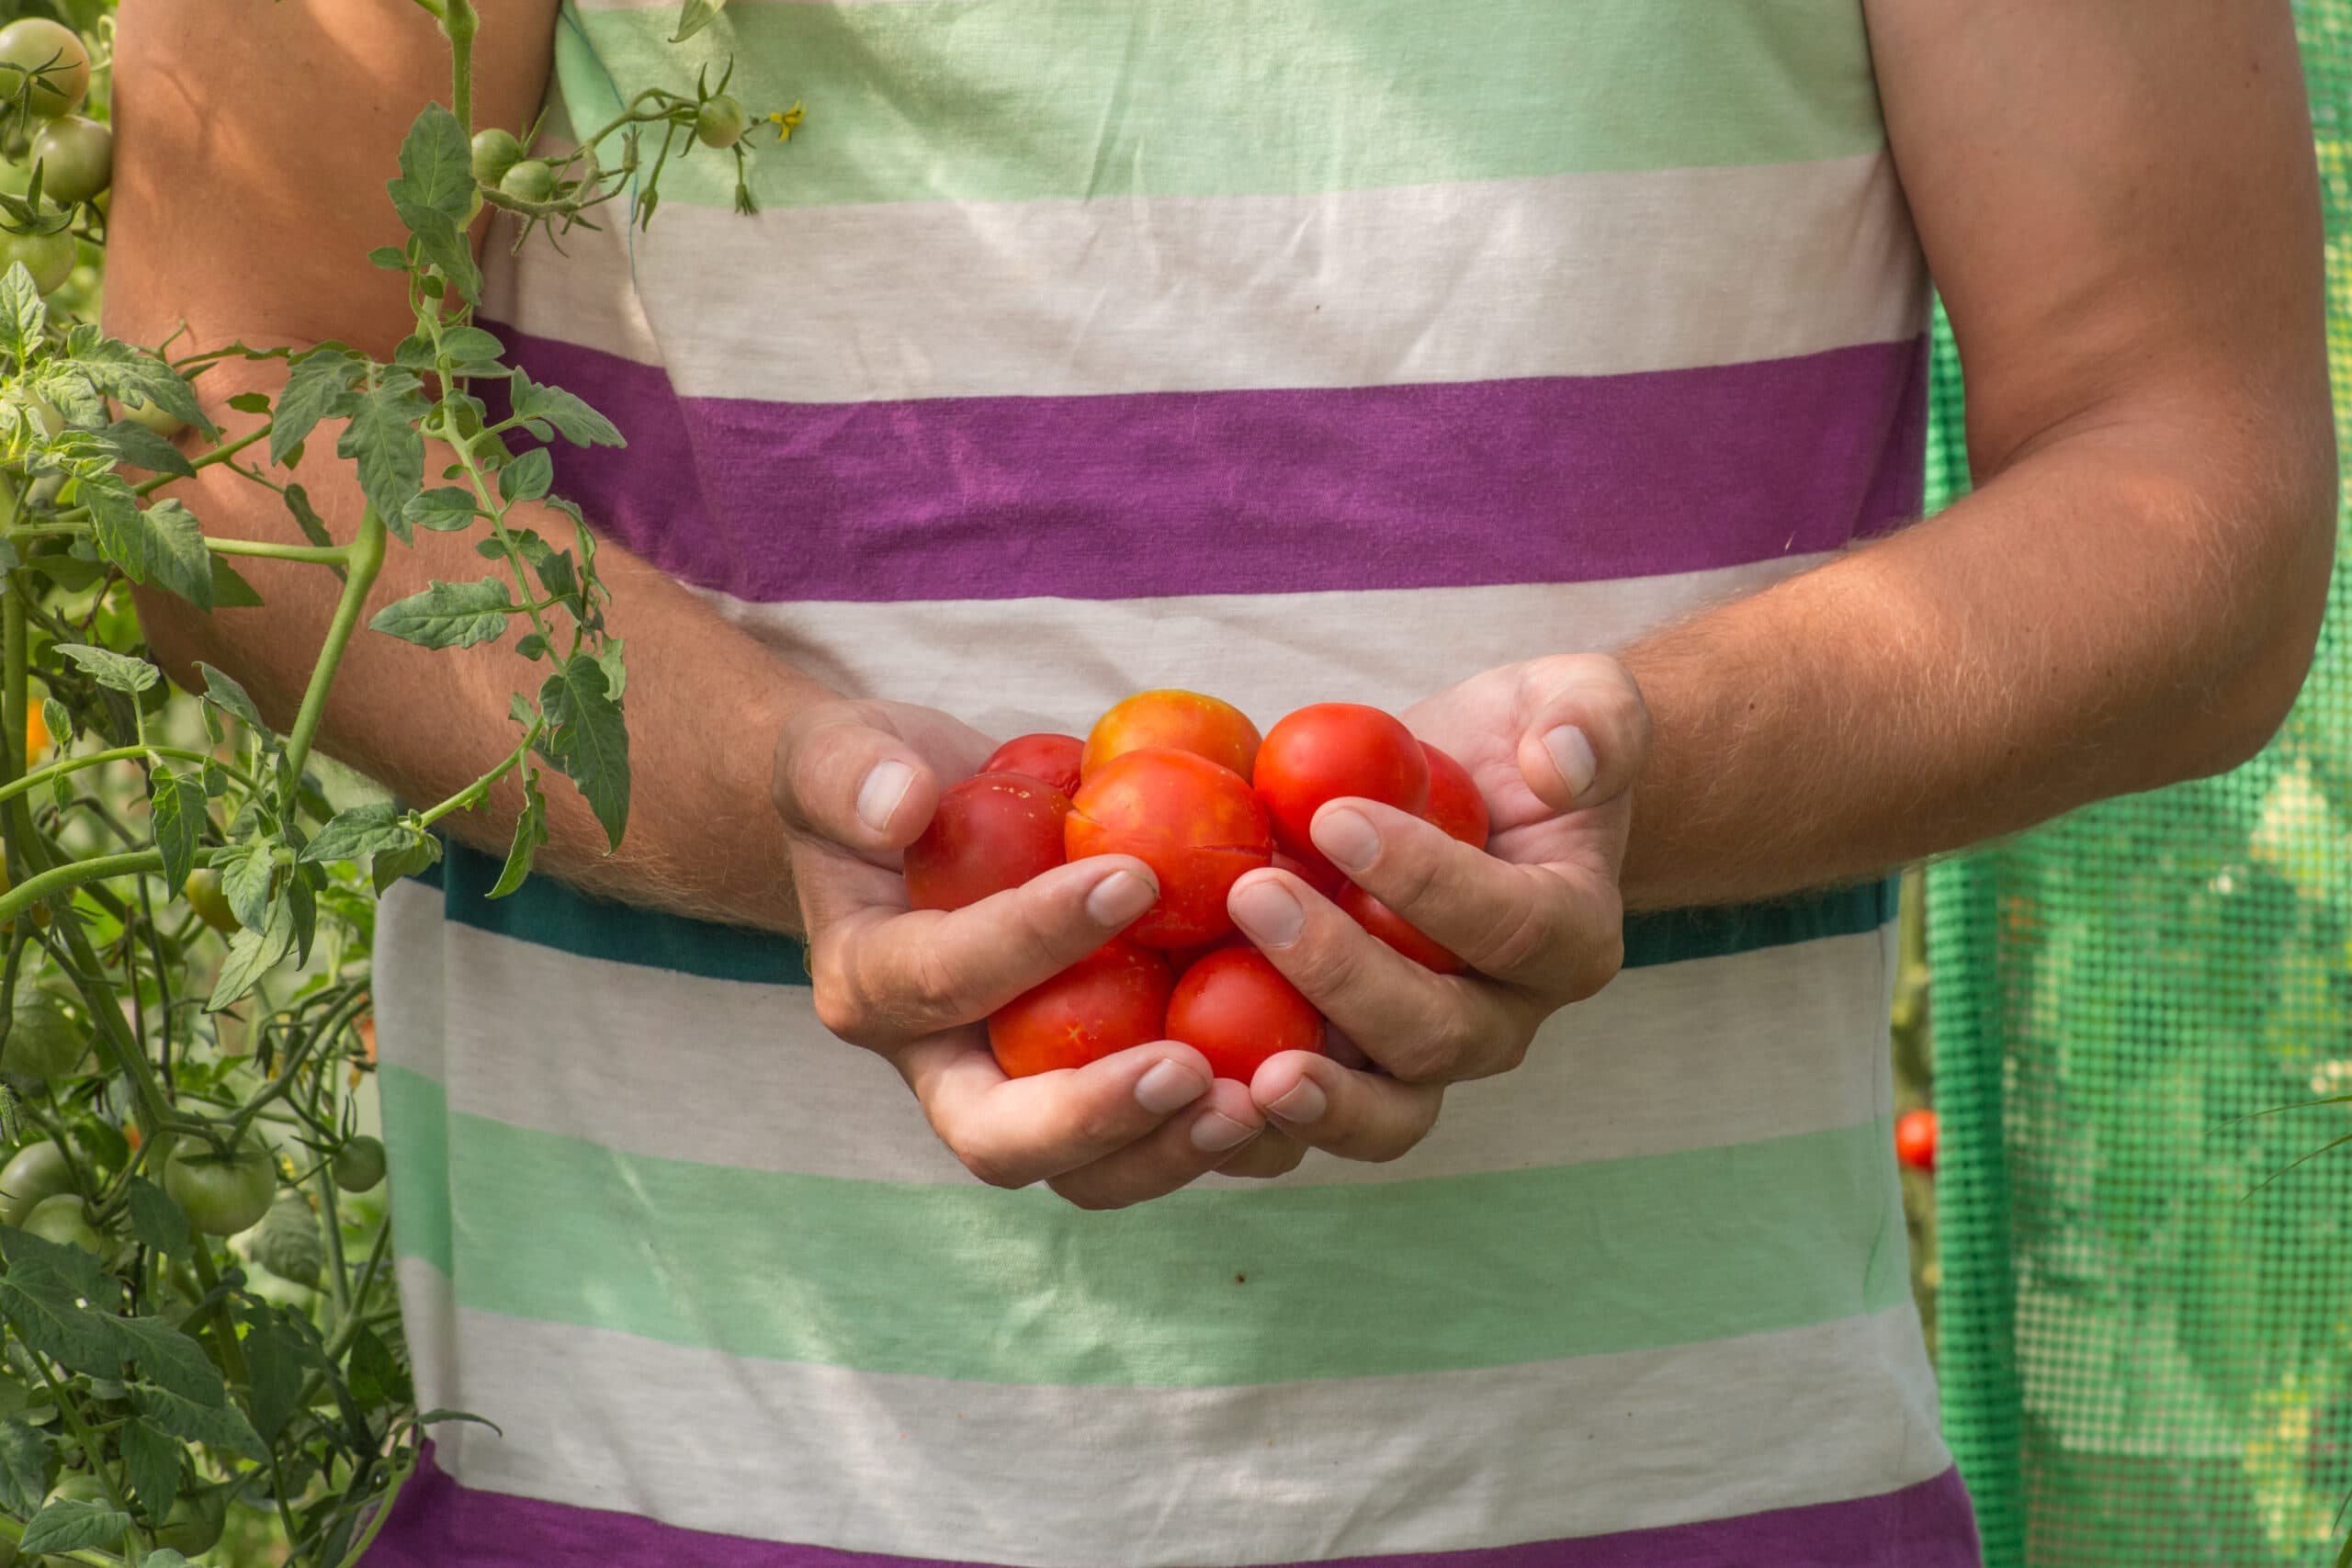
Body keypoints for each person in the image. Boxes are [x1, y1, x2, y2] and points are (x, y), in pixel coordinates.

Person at [108, 0, 2334, 1563]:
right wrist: (773, 801)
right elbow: (216, 406)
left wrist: (1621, 778)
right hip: (686, 1489)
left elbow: (2186, 484)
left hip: (1671, 1492)